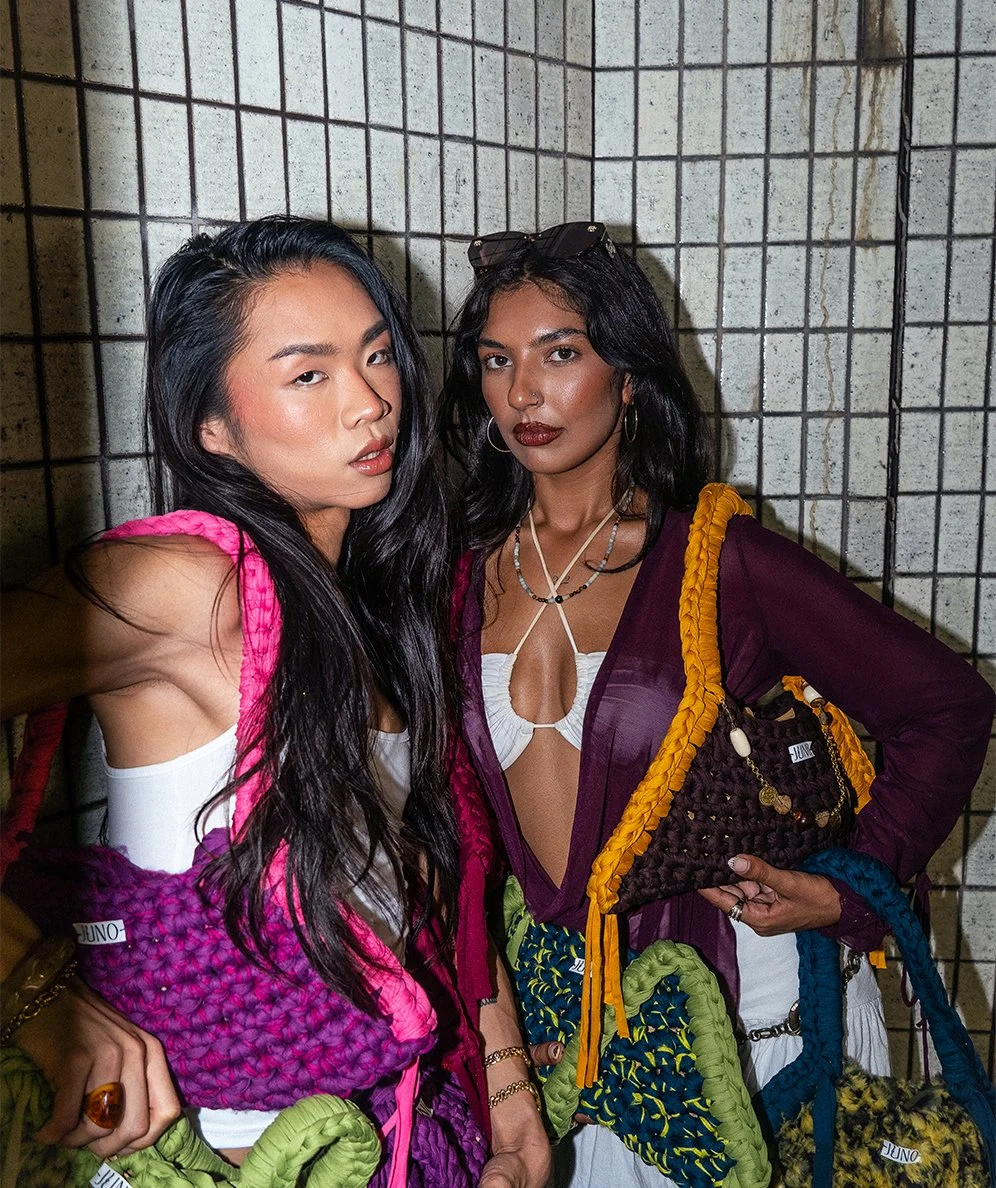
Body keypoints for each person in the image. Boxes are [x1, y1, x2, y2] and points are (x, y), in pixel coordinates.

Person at [441, 222, 995, 1186]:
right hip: (577, 1052)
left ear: (628, 375)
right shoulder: (454, 576)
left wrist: (849, 894)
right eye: (499, 361)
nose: (524, 393)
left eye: (560, 354)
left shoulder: (719, 561)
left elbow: (947, 709)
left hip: (753, 1032)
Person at [1, 216, 550, 1187]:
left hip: (397, 1133)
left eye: (378, 357)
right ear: (211, 423)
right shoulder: (186, 584)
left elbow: (411, 884)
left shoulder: (366, 599)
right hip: (226, 1156)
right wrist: (33, 990)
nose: (372, 402)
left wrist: (506, 1095)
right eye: (310, 375)